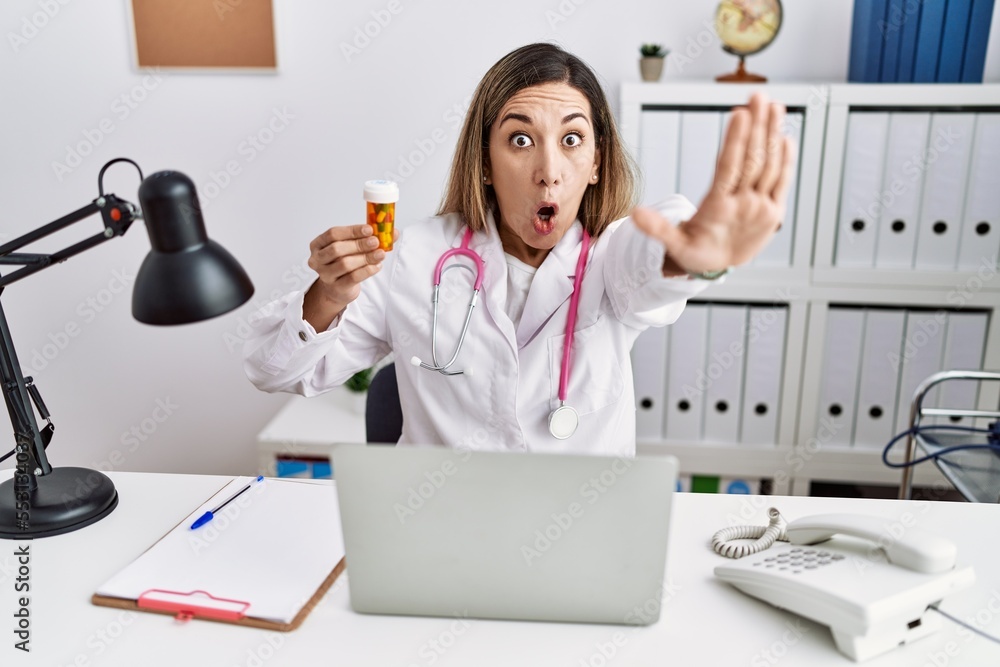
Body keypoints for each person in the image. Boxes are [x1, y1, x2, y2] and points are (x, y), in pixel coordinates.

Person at [243, 43, 794, 457]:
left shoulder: (611, 257)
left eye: (572, 140)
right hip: (437, 536)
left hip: (581, 541)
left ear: (597, 163)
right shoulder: (416, 257)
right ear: (484, 161)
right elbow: (275, 370)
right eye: (520, 139)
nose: (548, 172)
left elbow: (652, 256)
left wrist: (697, 251)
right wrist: (330, 292)